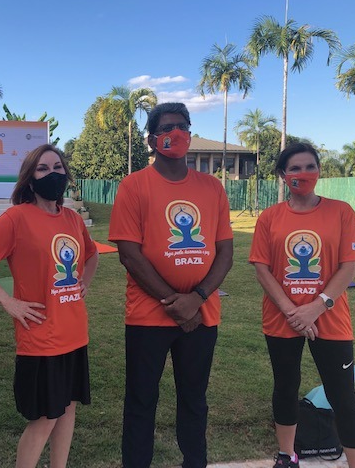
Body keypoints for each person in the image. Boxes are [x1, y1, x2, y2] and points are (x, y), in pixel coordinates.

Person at [109, 102, 234, 468]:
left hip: (201, 316)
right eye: (166, 128)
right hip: (148, 316)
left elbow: (225, 252)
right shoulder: (134, 186)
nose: (175, 133)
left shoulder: (212, 187)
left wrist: (197, 298)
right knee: (141, 401)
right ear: (152, 140)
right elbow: (129, 254)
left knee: (194, 401)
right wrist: (174, 302)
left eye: (182, 126)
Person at [0, 144, 99, 468]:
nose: (53, 174)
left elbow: (91, 254)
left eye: (57, 167)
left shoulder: (72, 219)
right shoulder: (17, 218)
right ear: (30, 178)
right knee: (45, 419)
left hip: (74, 333)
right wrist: (8, 301)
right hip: (41, 339)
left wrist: (85, 283)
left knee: (67, 409)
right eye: (43, 169)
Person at [249, 142, 355, 468]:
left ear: (319, 170)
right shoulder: (270, 217)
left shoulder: (341, 212)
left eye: (310, 166)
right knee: (286, 387)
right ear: (283, 175)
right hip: (281, 319)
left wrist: (316, 306)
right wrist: (292, 312)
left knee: (343, 396)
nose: (304, 173)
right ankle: (287, 456)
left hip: (330, 318)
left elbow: (349, 267)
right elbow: (262, 269)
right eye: (295, 168)